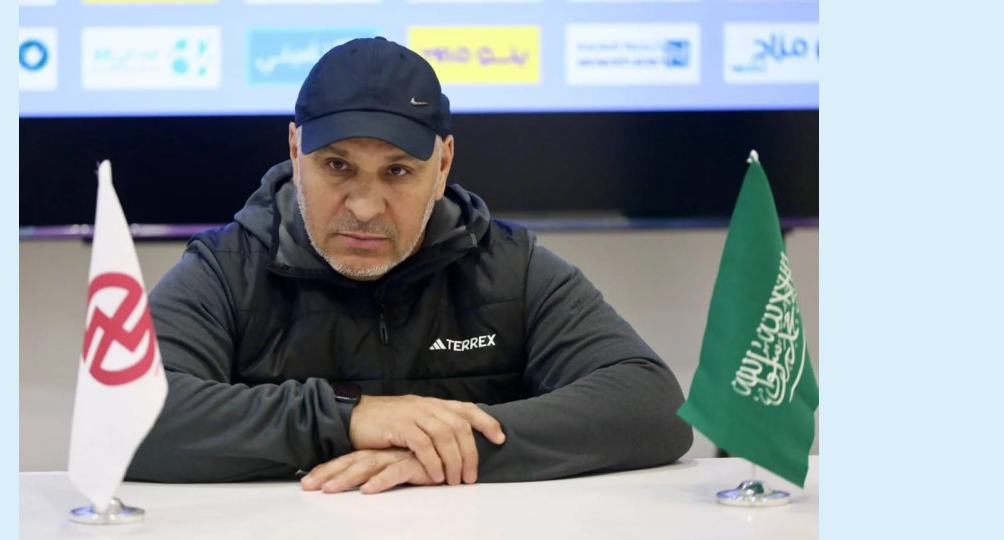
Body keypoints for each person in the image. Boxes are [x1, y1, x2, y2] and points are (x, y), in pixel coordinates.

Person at [127, 36, 692, 494]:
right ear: (296, 152)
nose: (364, 207)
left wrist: (447, 450)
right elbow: (127, 414)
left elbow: (652, 404)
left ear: (442, 165)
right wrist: (347, 418)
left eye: (397, 171)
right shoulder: (229, 268)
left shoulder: (508, 268)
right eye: (338, 166)